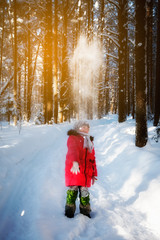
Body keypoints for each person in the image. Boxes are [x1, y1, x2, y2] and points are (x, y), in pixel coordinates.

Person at [65, 120, 97, 218]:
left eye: (87, 128)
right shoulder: (73, 138)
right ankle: (69, 212)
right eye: (83, 127)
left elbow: (92, 159)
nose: (85, 129)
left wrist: (94, 174)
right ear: (77, 128)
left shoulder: (89, 141)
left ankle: (85, 212)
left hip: (86, 172)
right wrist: (74, 161)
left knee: (84, 192)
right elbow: (72, 150)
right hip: (75, 169)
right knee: (73, 190)